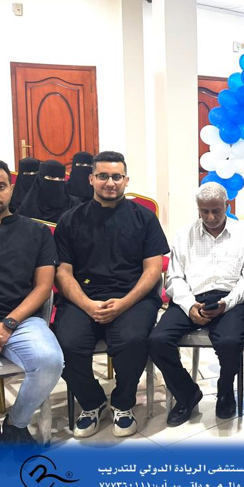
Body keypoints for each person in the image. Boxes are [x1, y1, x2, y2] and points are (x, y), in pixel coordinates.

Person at [54, 151, 169, 438]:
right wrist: (87, 304)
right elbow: (63, 273)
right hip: (83, 298)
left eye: (117, 177)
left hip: (132, 298)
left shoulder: (144, 218)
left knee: (132, 340)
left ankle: (123, 403)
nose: (110, 182)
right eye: (103, 176)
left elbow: (153, 270)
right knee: (65, 345)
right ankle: (92, 402)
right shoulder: (70, 220)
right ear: (91, 179)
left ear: (126, 180)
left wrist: (124, 303)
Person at [149, 183, 244, 426]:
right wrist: (189, 306)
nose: (210, 217)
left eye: (216, 211)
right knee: (157, 340)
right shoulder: (184, 234)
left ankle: (225, 390)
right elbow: (174, 278)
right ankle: (187, 394)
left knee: (229, 342)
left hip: (229, 298)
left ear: (227, 206)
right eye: (204, 211)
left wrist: (227, 302)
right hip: (191, 297)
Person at [0, 160, 63, 444]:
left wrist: (7, 324)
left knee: (50, 361)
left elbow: (44, 286)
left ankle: (16, 424)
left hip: (21, 320)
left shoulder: (36, 232)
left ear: (11, 188)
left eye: (0, 186)